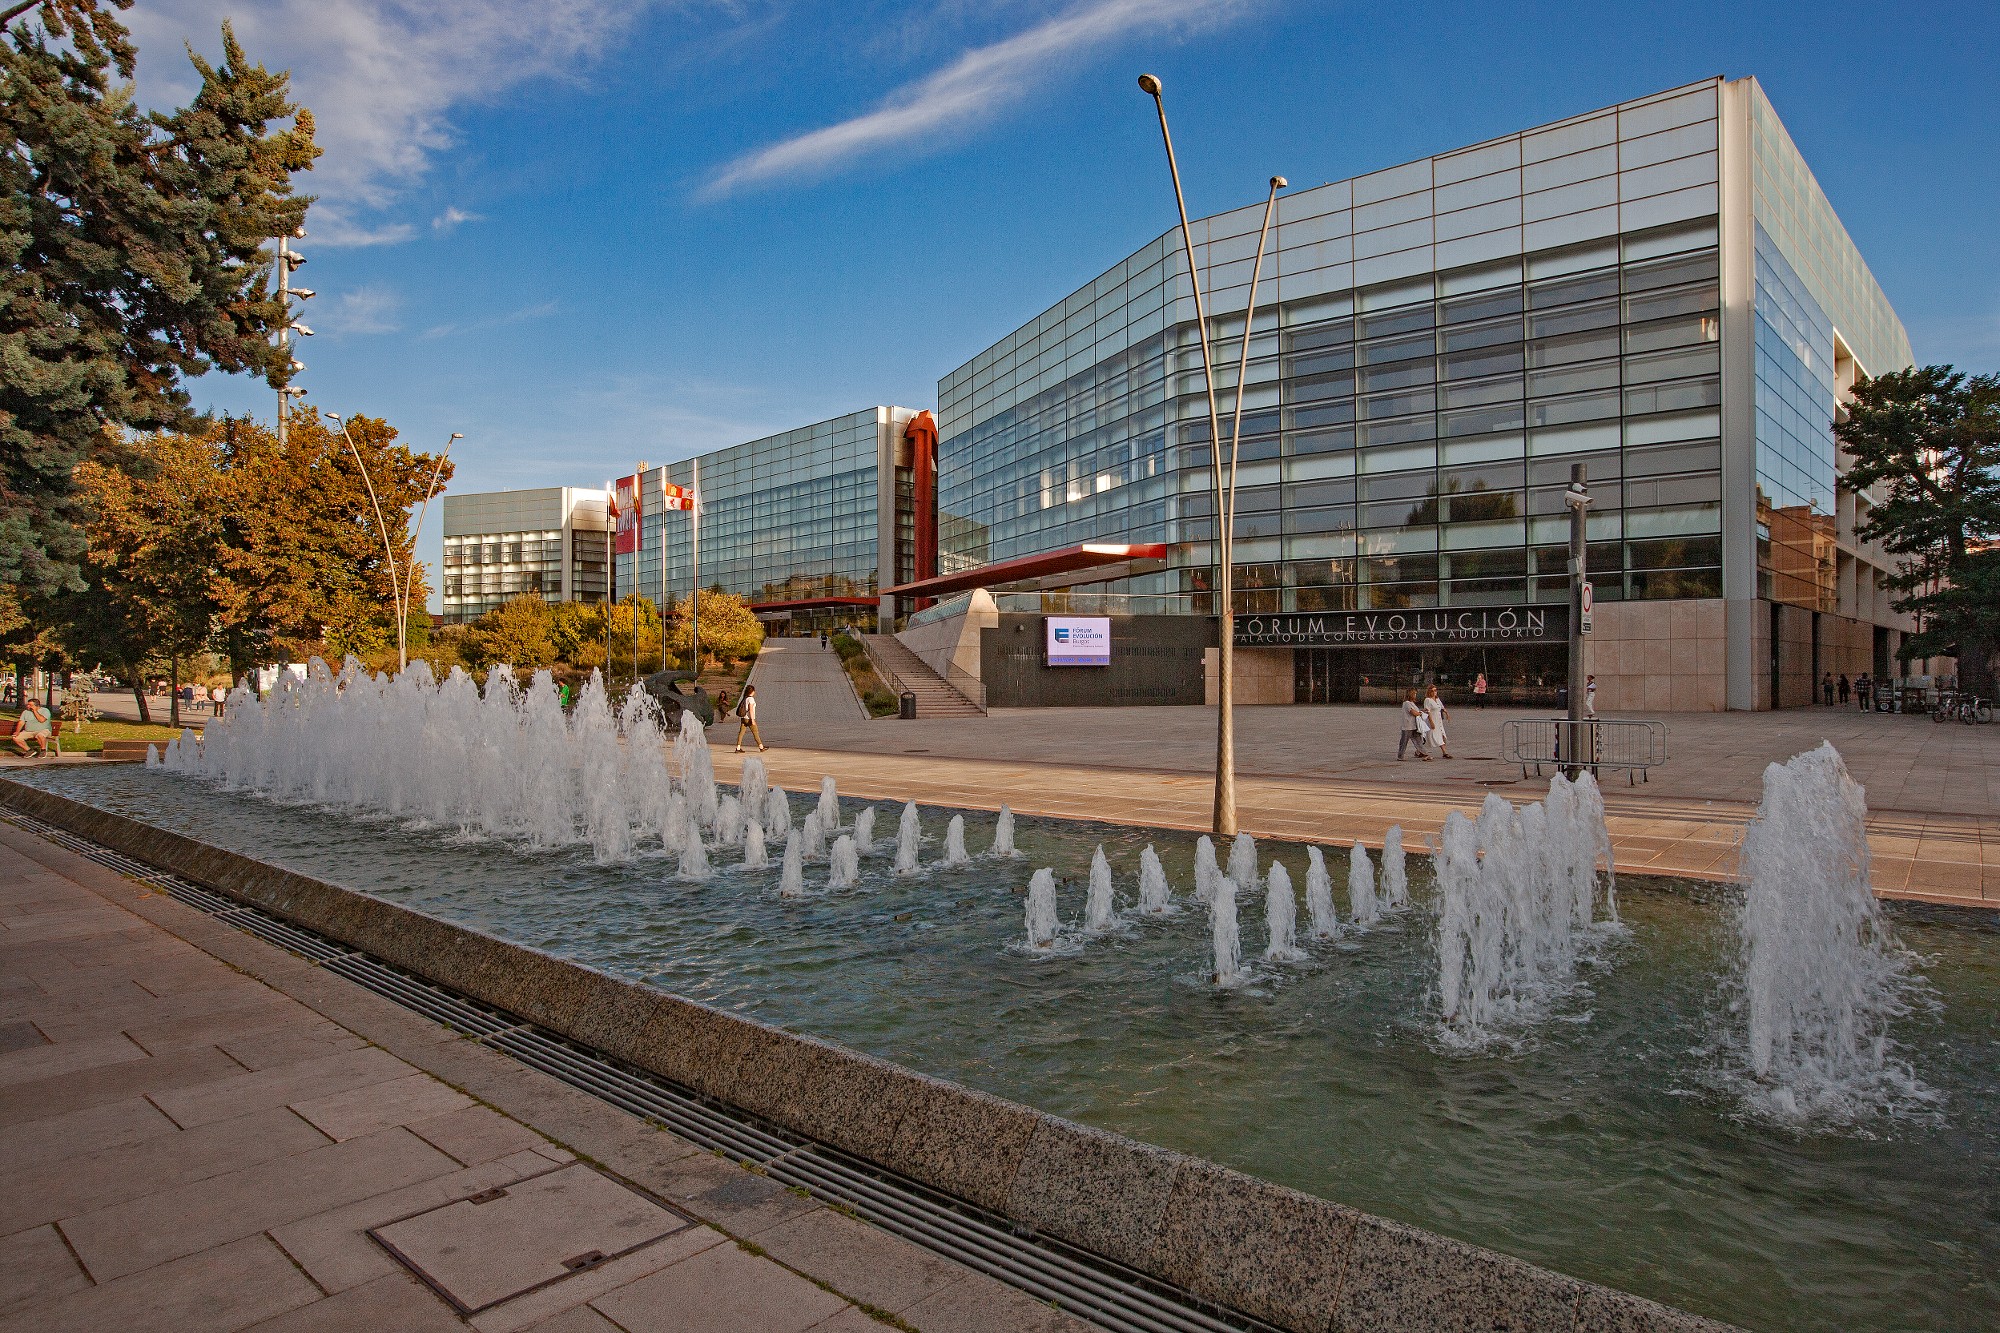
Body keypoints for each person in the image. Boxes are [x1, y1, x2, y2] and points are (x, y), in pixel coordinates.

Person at [1397, 689, 1431, 761]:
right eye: (1414, 694)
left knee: (1418, 740)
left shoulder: (1412, 703)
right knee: (1404, 742)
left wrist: (1422, 711)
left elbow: (1417, 711)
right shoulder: (1406, 703)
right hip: (1407, 726)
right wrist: (1421, 713)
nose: (1415, 695)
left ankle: (1424, 753)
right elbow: (1414, 713)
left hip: (1414, 725)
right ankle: (1400, 756)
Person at [733, 684, 766, 753]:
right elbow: (751, 710)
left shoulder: (745, 698)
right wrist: (753, 720)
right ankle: (761, 747)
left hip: (743, 718)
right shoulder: (751, 699)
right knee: (755, 732)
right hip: (749, 718)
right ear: (752, 691)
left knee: (741, 733)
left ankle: (738, 748)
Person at [1423, 684, 1452, 759]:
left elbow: (1441, 707)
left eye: (1435, 690)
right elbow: (1427, 711)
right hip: (1432, 719)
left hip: (1438, 720)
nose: (1434, 692)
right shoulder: (1428, 700)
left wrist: (1447, 713)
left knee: (1441, 735)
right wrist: (1431, 722)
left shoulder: (1437, 699)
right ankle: (1419, 750)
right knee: (1430, 736)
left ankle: (1444, 752)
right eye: (1432, 691)